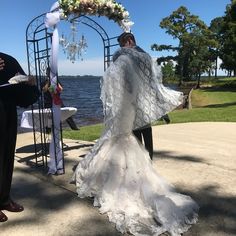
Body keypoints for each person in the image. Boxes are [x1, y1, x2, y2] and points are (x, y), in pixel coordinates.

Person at [72, 32, 198, 235]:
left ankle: (142, 168)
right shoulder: (140, 57)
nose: (123, 46)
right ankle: (142, 168)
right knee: (132, 140)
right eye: (122, 43)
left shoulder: (127, 58)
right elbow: (150, 81)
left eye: (124, 42)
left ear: (129, 41)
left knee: (131, 140)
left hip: (129, 105)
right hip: (132, 105)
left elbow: (129, 82)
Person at [0, 52, 39, 222]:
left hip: (6, 113)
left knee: (6, 157)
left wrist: (29, 84)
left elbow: (23, 96)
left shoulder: (8, 60)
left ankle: (4, 198)